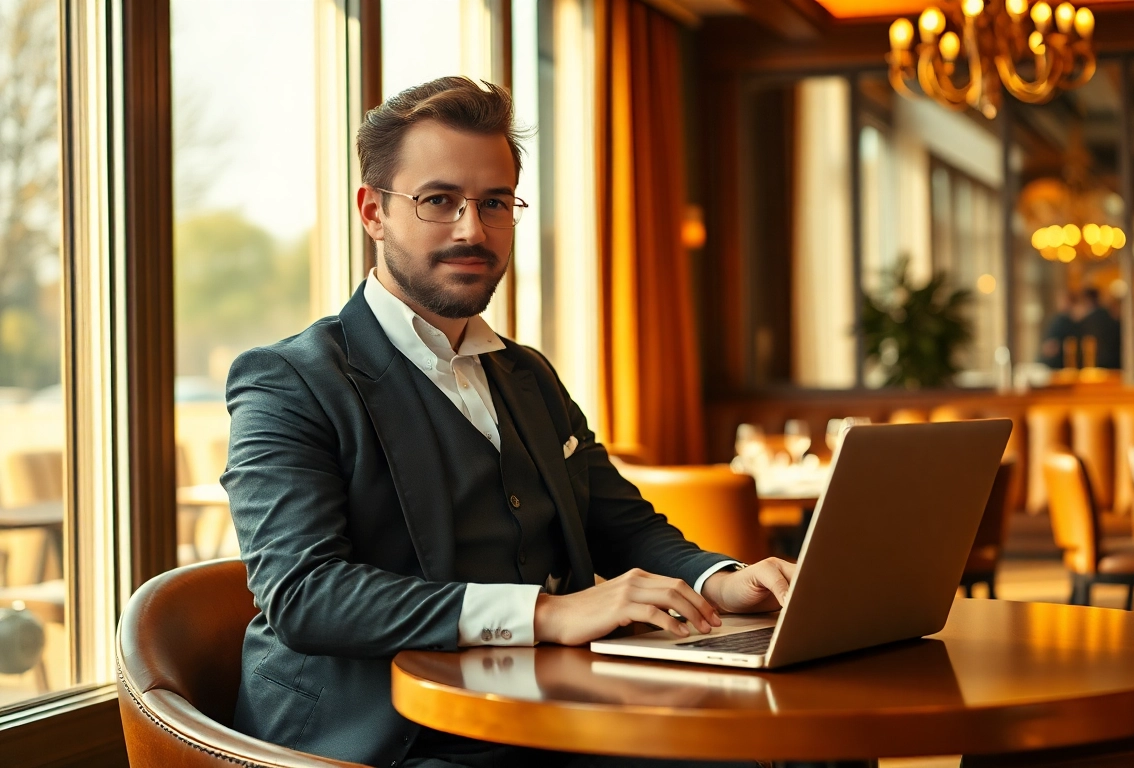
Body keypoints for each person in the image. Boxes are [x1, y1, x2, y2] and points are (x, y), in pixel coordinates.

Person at [221, 76, 794, 768]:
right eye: (440, 201)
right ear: (372, 212)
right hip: (385, 738)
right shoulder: (287, 381)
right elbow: (305, 594)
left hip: (550, 712)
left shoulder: (528, 375)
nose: (473, 228)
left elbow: (624, 525)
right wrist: (546, 615)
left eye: (494, 203)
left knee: (790, 744)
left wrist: (721, 580)